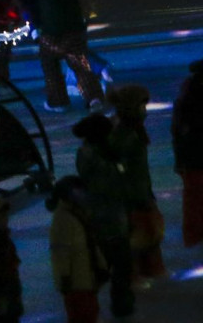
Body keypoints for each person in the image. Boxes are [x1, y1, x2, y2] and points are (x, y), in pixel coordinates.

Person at [18, 0, 103, 112]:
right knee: (80, 65)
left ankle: (58, 101)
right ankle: (94, 98)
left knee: (50, 67)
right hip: (73, 26)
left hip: (49, 29)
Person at [73, 113, 133, 318]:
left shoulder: (94, 152)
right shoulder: (94, 155)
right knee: (112, 265)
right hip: (107, 220)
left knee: (115, 265)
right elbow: (110, 183)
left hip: (109, 219)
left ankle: (116, 303)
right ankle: (110, 305)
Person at [108, 84, 166, 283]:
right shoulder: (125, 134)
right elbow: (125, 170)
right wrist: (141, 196)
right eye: (142, 106)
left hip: (138, 192)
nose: (145, 111)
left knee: (145, 232)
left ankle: (146, 271)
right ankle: (137, 274)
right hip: (132, 196)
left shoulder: (130, 129)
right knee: (139, 235)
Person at [47, 175, 109, 323]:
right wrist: (64, 278)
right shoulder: (63, 219)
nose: (84, 194)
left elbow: (90, 245)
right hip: (76, 284)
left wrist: (101, 266)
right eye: (79, 191)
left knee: (90, 314)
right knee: (83, 316)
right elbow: (60, 253)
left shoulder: (78, 214)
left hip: (86, 280)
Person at [173, 59, 203, 248]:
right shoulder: (190, 99)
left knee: (193, 199)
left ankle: (193, 235)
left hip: (191, 158)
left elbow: (178, 131)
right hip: (194, 157)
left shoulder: (186, 96)